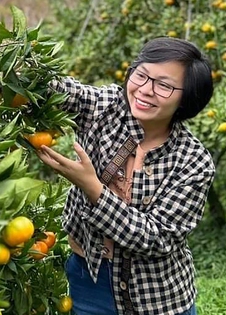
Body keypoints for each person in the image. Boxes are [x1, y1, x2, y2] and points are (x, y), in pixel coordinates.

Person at [37, 37, 215, 315]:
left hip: (158, 296)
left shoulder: (194, 161)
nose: (145, 90)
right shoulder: (107, 108)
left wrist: (91, 186)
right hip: (89, 281)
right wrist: (13, 59)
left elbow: (155, 238)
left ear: (186, 98)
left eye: (164, 85)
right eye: (141, 75)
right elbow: (61, 90)